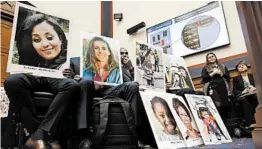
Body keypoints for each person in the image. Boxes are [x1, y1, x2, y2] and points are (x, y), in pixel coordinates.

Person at [4, 13, 79, 149]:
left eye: (50, 37)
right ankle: (38, 135)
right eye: (37, 40)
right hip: (33, 76)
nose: (45, 44)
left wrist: (70, 74)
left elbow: (76, 80)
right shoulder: (29, 59)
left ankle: (39, 136)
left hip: (57, 78)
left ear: (60, 38)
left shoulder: (69, 60)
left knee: (72, 84)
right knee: (12, 81)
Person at [64, 54, 156, 148]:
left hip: (110, 89)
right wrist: (75, 77)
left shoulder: (116, 63)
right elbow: (71, 81)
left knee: (132, 86)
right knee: (85, 81)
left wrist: (130, 68)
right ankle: (83, 136)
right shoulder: (76, 61)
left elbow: (130, 81)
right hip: (89, 88)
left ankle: (135, 135)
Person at [201, 52, 230, 122]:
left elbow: (228, 77)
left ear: (215, 57)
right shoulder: (205, 68)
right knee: (216, 106)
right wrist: (213, 73)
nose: (211, 58)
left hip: (223, 87)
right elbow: (204, 78)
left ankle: (226, 124)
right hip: (212, 89)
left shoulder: (222, 66)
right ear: (207, 59)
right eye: (209, 57)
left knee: (224, 106)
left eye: (212, 56)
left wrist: (221, 73)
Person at [233, 61, 258, 126]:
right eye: (239, 66)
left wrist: (255, 88)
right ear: (237, 69)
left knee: (256, 97)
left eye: (243, 65)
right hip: (243, 95)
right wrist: (243, 91)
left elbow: (258, 85)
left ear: (246, 66)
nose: (241, 67)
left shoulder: (252, 76)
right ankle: (251, 122)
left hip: (253, 93)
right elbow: (235, 91)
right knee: (243, 100)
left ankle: (259, 117)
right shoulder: (236, 79)